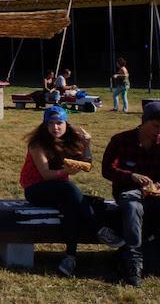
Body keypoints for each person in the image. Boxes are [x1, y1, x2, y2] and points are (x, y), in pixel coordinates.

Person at [19, 106, 123, 277]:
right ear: (44, 125)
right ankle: (98, 229)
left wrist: (87, 144)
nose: (55, 127)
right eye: (50, 123)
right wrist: (67, 172)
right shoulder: (37, 144)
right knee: (69, 189)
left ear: (66, 123)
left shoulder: (68, 141)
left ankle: (70, 257)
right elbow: (46, 175)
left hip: (61, 191)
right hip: (36, 189)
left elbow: (87, 163)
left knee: (72, 206)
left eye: (59, 123)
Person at [101, 101, 160, 287]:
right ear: (143, 122)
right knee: (133, 206)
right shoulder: (121, 140)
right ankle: (134, 264)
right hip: (127, 191)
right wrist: (132, 176)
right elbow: (107, 170)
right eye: (156, 126)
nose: (158, 132)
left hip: (155, 195)